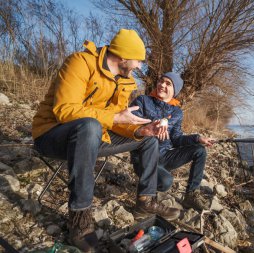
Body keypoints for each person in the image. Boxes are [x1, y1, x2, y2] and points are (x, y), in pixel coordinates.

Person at [32, 29, 180, 252]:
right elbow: (64, 110)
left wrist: (141, 129)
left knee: (148, 139)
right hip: (52, 134)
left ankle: (145, 201)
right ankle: (80, 219)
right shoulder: (80, 62)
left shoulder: (124, 81)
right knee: (90, 126)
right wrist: (112, 117)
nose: (140, 66)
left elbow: (119, 120)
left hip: (91, 137)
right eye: (138, 60)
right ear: (122, 56)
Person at [130, 72, 214, 211]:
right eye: (161, 81)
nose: (162, 85)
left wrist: (198, 138)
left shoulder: (177, 112)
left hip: (164, 155)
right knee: (166, 181)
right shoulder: (143, 101)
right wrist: (147, 128)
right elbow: (130, 126)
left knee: (199, 150)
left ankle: (191, 195)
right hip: (143, 157)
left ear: (175, 90)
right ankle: (145, 200)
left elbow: (176, 139)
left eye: (168, 84)